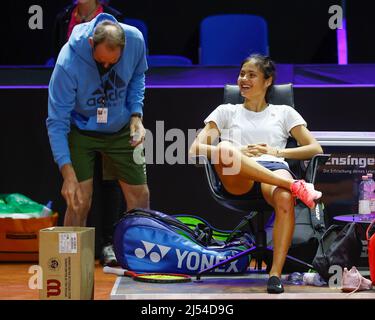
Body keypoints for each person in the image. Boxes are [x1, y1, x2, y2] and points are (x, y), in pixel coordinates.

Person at [189, 54, 323, 294]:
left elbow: (315, 148)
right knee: (224, 149)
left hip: (273, 169)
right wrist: (239, 150)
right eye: (241, 74)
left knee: (283, 198)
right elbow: (195, 148)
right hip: (237, 175)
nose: (243, 79)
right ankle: (294, 186)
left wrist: (276, 151)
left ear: (268, 81)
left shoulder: (284, 112)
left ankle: (274, 275)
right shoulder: (225, 111)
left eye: (251, 75)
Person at [47, 13, 150, 267]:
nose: (106, 68)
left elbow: (138, 76)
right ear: (92, 43)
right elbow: (56, 121)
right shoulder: (67, 62)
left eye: (112, 64)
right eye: (101, 62)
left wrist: (136, 114)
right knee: (79, 199)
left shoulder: (135, 40)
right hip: (81, 129)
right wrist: (67, 174)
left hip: (121, 127)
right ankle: (68, 266)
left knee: (140, 196)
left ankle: (139, 259)